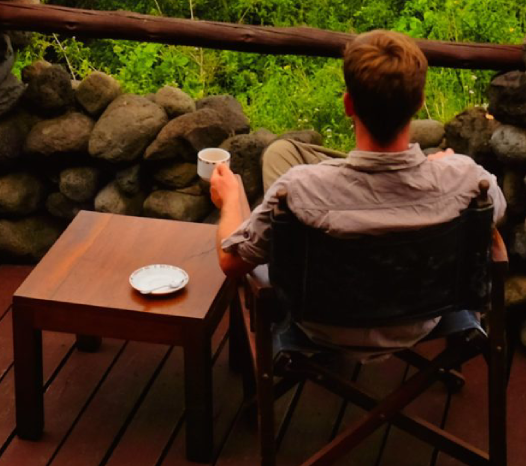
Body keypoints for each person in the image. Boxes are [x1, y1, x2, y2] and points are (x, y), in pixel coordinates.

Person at [210, 28, 505, 351]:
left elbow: (231, 262)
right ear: (419, 103)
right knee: (283, 152)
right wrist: (448, 168)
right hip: (422, 319)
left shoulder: (298, 190)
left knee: (279, 159)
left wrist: (231, 198)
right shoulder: (466, 180)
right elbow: (496, 212)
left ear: (349, 104)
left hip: (320, 325)